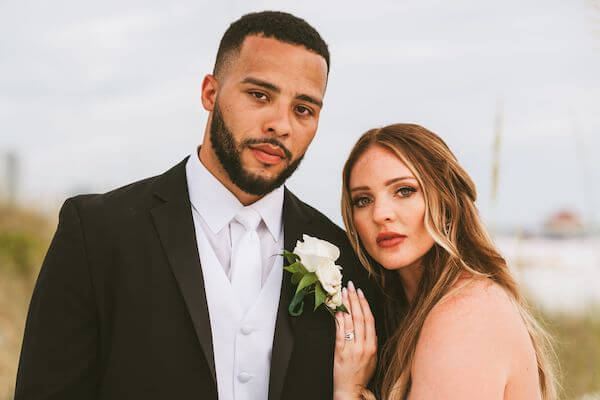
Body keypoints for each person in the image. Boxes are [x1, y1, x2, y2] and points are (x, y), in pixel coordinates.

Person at [15, 11, 380, 400]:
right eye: (260, 95)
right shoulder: (97, 231)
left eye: (303, 109)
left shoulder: (346, 256)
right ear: (210, 92)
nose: (281, 124)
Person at [333, 123, 557, 399]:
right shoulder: (407, 307)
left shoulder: (465, 315)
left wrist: (347, 391)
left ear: (447, 199)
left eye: (404, 190)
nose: (380, 214)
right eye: (363, 200)